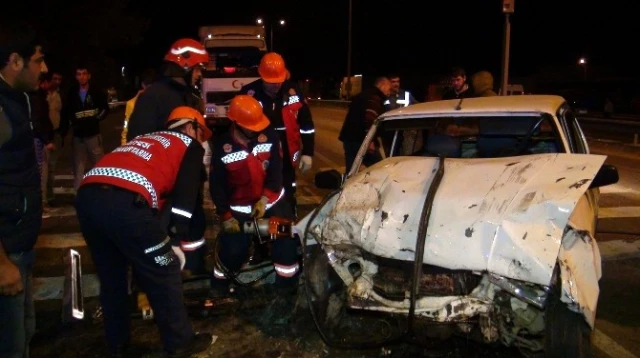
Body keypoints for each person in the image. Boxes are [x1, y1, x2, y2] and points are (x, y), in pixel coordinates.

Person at [74, 106, 214, 357]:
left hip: (89, 197)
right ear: (191, 127)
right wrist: (173, 240)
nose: (202, 142)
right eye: (202, 134)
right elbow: (185, 200)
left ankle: (118, 344)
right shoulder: (189, 145)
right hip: (126, 203)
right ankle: (180, 343)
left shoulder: (145, 139)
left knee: (113, 275)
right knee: (166, 268)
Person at [209, 95, 299, 321]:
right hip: (239, 211)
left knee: (286, 241)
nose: (256, 131)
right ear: (236, 123)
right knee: (233, 250)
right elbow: (217, 184)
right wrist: (226, 215)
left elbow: (277, 173)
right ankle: (218, 286)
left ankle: (286, 288)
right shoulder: (222, 146)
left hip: (271, 204)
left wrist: (265, 199)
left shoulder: (269, 135)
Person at [0, 36, 47, 358]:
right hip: (7, 251)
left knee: (25, 333)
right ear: (15, 61)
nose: (44, 69)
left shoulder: (19, 99)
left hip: (20, 240)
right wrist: (0, 263)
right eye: (38, 60)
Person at [240, 52, 315, 219]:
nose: (275, 86)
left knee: (287, 189)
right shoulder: (249, 93)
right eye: (270, 82)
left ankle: (287, 220)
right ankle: (259, 228)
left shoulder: (294, 92)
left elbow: (307, 125)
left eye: (278, 82)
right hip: (258, 155)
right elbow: (238, 127)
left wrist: (308, 153)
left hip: (288, 153)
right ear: (261, 76)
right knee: (259, 190)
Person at [126, 38, 208, 141]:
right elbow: (138, 142)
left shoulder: (189, 94)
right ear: (185, 67)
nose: (199, 74)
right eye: (197, 69)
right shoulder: (152, 96)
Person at [59, 65, 110, 191]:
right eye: (78, 74)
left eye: (84, 74)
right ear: (76, 77)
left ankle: (100, 191)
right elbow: (66, 112)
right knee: (78, 167)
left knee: (98, 165)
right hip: (78, 136)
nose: (81, 77)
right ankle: (78, 195)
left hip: (93, 134)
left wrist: (96, 119)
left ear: (88, 75)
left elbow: (105, 108)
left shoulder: (96, 91)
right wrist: (64, 131)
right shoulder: (71, 93)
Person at [338, 76, 391, 171]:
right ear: (382, 84)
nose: (389, 92)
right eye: (389, 89)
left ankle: (348, 184)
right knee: (379, 169)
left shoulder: (363, 94)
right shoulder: (375, 97)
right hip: (362, 141)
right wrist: (369, 140)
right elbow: (370, 118)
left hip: (349, 138)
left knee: (351, 171)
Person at [43, 72, 63, 206]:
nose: (57, 82)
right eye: (54, 79)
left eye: (59, 79)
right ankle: (44, 196)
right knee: (44, 166)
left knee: (52, 166)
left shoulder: (61, 95)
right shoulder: (42, 96)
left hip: (56, 133)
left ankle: (49, 194)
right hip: (45, 135)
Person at [121, 69, 156, 145]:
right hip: (138, 142)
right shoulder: (132, 103)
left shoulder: (159, 100)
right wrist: (124, 145)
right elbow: (126, 127)